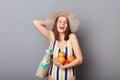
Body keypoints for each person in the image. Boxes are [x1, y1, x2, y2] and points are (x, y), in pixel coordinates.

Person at [33, 10, 83, 80]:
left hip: (69, 76)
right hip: (53, 75)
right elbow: (36, 22)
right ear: (56, 24)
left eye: (65, 23)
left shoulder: (72, 37)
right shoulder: (52, 36)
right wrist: (51, 23)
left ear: (67, 25)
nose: (62, 24)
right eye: (59, 22)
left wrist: (64, 66)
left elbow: (80, 59)